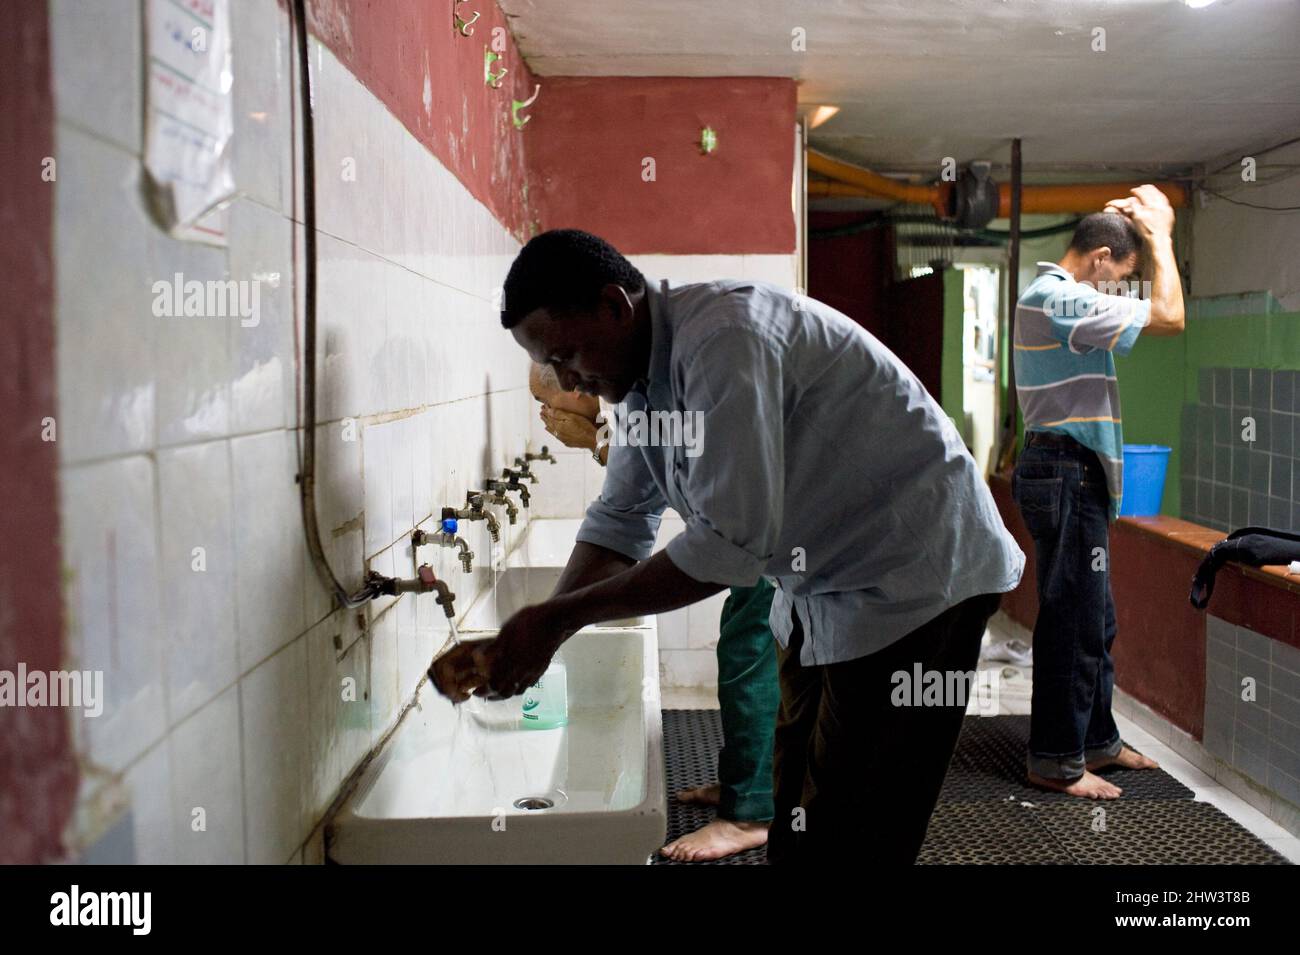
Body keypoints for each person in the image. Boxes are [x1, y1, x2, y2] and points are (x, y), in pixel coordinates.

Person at [432, 229, 1025, 863]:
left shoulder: (722, 339)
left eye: (567, 353)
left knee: (859, 830)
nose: (565, 377)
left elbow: (727, 549)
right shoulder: (638, 382)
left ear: (615, 305)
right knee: (795, 813)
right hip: (825, 586)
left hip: (919, 575)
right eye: (552, 364)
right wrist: (541, 629)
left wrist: (554, 620)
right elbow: (620, 520)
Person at [529, 360, 779, 862]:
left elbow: (638, 503)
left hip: (774, 530)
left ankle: (749, 815)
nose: (544, 415)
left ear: (577, 390)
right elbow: (639, 492)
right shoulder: (635, 400)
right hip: (761, 528)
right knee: (750, 646)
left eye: (546, 402)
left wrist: (554, 620)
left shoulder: (640, 396)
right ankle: (748, 785)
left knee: (748, 651)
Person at [1012, 186, 1185, 799]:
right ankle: (1056, 759)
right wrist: (1160, 233)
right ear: (1102, 257)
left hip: (1068, 470)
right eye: (1122, 275)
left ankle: (1095, 742)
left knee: (1094, 616)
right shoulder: (1059, 297)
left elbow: (1152, 308)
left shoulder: (1065, 297)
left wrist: (1133, 227)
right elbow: (1170, 316)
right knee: (1072, 617)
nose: (1121, 289)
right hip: (1065, 470)